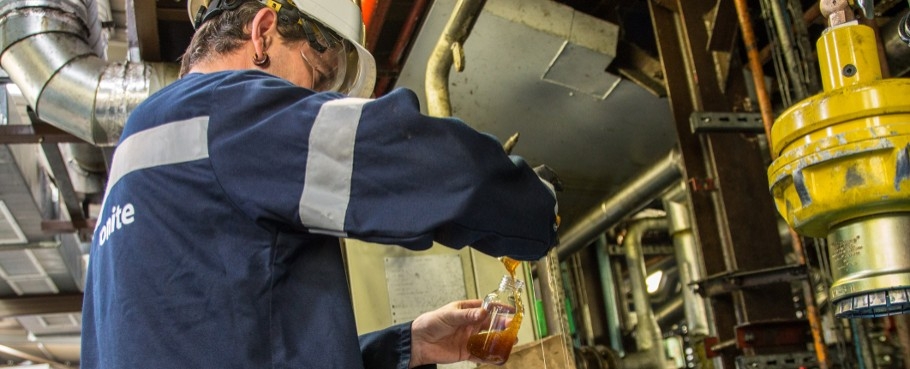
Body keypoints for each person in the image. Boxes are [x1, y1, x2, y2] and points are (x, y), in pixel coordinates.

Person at [80, 0, 559, 368]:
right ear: (263, 32)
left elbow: (238, 345)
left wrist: (406, 346)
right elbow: (422, 162)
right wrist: (533, 206)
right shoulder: (225, 114)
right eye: (318, 74)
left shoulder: (136, 162)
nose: (312, 98)